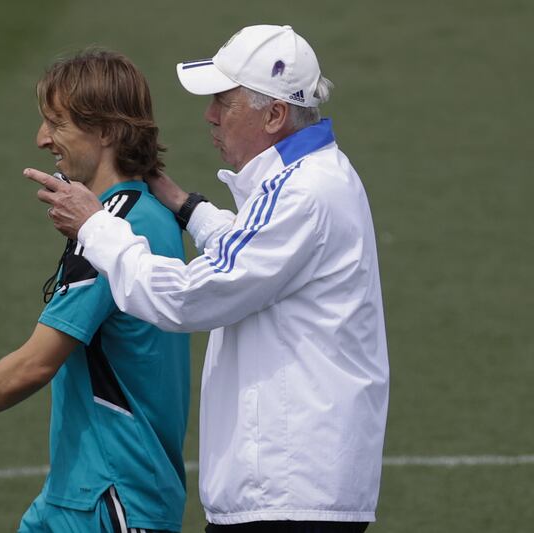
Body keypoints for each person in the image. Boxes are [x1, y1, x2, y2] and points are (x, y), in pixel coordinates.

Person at [25, 25, 390, 533]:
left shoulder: (304, 194)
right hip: (294, 486)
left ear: (275, 114)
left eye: (224, 101)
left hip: (289, 491)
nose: (210, 115)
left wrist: (96, 226)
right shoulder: (315, 176)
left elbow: (189, 298)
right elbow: (253, 254)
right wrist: (186, 205)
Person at [0, 49, 191, 533]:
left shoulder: (115, 228)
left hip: (111, 501)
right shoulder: (148, 216)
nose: (41, 139)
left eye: (57, 123)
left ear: (106, 131)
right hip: (78, 495)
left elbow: (38, 361)